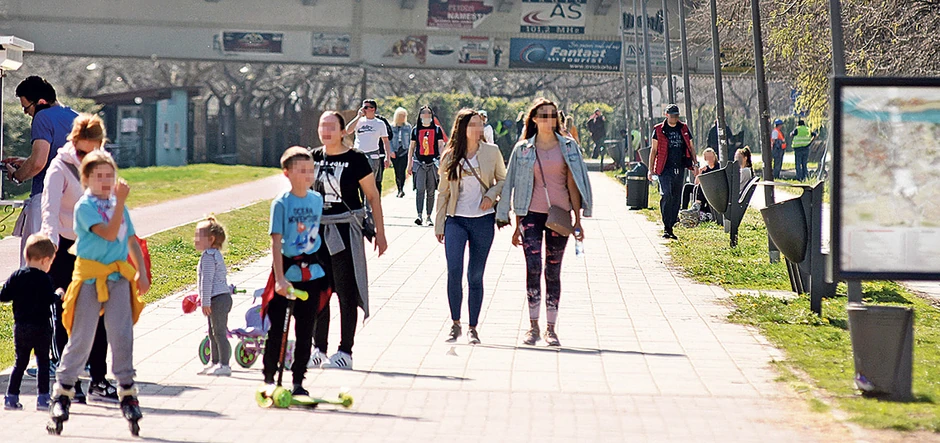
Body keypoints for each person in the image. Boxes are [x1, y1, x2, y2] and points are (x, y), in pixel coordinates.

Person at [50, 150, 150, 430]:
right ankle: (64, 390)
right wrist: (121, 204)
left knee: (121, 333)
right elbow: (107, 232)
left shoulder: (119, 205)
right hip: (90, 276)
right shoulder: (85, 207)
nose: (105, 182)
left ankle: (128, 391)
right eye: (98, 177)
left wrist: (140, 270)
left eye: (109, 176)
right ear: (86, 180)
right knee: (82, 336)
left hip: (117, 276)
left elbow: (129, 236)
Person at [497, 98, 593, 347]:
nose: (548, 120)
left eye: (552, 115)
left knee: (552, 270)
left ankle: (551, 328)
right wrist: (516, 222)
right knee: (533, 268)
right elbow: (515, 185)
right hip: (530, 214)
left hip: (559, 214)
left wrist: (578, 220)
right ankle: (533, 327)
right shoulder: (523, 149)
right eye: (543, 115)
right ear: (534, 119)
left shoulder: (569, 147)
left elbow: (574, 183)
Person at [40, 113, 115, 402]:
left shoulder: (104, 164)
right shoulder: (60, 167)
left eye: (92, 150)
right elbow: (49, 208)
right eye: (81, 151)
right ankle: (71, 382)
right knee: (66, 314)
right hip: (62, 245)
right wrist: (50, 242)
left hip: (93, 247)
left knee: (100, 312)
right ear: (73, 142)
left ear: (100, 145)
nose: (86, 156)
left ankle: (98, 379)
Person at [311, 111, 388, 370]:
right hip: (318, 232)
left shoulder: (355, 159)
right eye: (323, 125)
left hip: (345, 231)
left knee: (345, 292)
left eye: (332, 126)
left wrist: (381, 232)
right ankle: (318, 349)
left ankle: (345, 351)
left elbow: (373, 196)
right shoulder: (313, 157)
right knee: (318, 292)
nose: (326, 130)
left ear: (344, 131)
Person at [435, 109, 506, 345]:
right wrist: (439, 223)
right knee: (454, 271)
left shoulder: (492, 152)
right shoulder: (451, 155)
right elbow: (443, 191)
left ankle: (473, 327)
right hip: (456, 219)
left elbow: (503, 180)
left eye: (479, 124)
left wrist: (492, 195)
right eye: (471, 125)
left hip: (483, 220)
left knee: (475, 276)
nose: (476, 129)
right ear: (462, 128)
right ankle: (455, 323)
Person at [260, 147, 326, 395]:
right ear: (287, 173)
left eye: (311, 170)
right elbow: (276, 242)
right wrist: (279, 278)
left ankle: (299, 380)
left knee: (306, 330)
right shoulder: (281, 204)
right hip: (286, 274)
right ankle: (269, 377)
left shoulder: (317, 200)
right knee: (278, 328)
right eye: (302, 170)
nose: (308, 175)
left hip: (312, 274)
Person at [7, 76, 78, 267]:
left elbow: (38, 163)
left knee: (34, 262)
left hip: (45, 199)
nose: (26, 113)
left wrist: (17, 175)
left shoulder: (42, 117)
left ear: (40, 102)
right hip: (74, 201)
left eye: (26, 107)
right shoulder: (75, 117)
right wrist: (26, 162)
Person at [2, 234, 58, 410]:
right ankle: (43, 398)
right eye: (50, 263)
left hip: (21, 327)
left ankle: (11, 396)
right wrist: (58, 295)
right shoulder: (44, 279)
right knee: (42, 362)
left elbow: (4, 296)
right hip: (41, 327)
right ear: (45, 260)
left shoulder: (17, 275)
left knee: (20, 362)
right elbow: (49, 300)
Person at [648, 104, 697, 240]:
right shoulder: (659, 130)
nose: (674, 118)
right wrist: (650, 170)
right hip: (664, 168)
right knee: (666, 195)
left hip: (680, 167)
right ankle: (666, 225)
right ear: (666, 115)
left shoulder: (684, 128)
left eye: (676, 115)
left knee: (676, 198)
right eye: (672, 115)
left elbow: (691, 147)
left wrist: (695, 164)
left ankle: (670, 227)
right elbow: (653, 151)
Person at [195, 216, 233, 377]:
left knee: (219, 332)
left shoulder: (209, 257)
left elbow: (207, 280)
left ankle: (225, 364)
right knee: (212, 332)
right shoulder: (213, 254)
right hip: (218, 298)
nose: (195, 239)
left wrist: (205, 301)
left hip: (217, 299)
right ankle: (215, 361)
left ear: (211, 239)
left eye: (198, 236)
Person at [407, 105, 446, 227]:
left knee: (431, 191)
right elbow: (412, 147)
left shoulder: (437, 130)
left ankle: (429, 216)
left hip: (433, 163)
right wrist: (409, 164)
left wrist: (442, 162)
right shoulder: (415, 130)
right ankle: (419, 215)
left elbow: (440, 146)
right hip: (419, 163)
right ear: (420, 115)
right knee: (420, 189)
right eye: (423, 113)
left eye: (428, 113)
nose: (426, 115)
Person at [345, 99, 390, 192]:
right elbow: (347, 130)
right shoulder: (359, 121)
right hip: (358, 155)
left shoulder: (380, 123)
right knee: (354, 182)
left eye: (366, 107)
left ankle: (369, 206)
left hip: (373, 156)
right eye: (362, 107)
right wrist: (357, 117)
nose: (363, 109)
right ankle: (358, 205)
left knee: (369, 185)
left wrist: (387, 157)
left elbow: (385, 141)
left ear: (373, 109)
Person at [389, 107, 412, 198]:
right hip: (395, 151)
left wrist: (410, 152)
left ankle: (401, 189)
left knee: (402, 170)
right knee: (396, 171)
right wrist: (390, 151)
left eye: (404, 116)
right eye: (401, 116)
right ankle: (398, 188)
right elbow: (389, 140)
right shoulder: (391, 127)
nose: (403, 117)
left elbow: (411, 140)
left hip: (404, 151)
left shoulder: (408, 127)